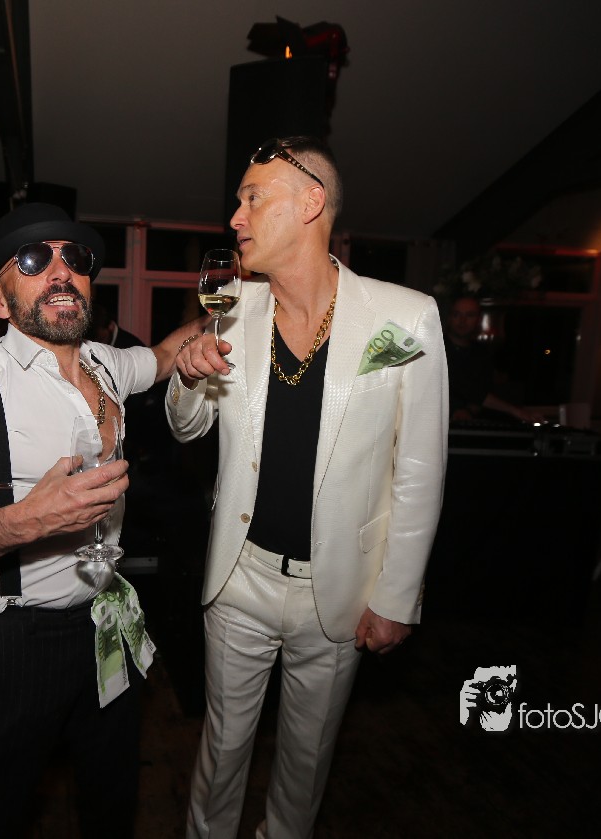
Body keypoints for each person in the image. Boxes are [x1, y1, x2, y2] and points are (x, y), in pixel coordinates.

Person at [0, 203, 203, 839]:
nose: (59, 271)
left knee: (112, 805)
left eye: (74, 258)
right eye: (31, 259)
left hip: (107, 620)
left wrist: (236, 304)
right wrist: (25, 521)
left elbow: (166, 354)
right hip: (15, 646)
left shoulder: (107, 363)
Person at [167, 136, 449, 839]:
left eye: (252, 197)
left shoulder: (406, 317)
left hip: (342, 589)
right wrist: (188, 375)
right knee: (221, 751)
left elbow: (418, 470)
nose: (235, 216)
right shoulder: (233, 308)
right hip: (240, 579)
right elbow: (186, 427)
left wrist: (397, 597)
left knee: (306, 760)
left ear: (310, 203)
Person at [444, 294, 544, 424]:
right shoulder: (433, 347)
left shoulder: (481, 353)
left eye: (469, 315)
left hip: (467, 427)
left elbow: (482, 390)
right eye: (456, 314)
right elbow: (462, 385)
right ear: (449, 318)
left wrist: (469, 411)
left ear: (479, 320)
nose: (462, 321)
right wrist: (514, 410)